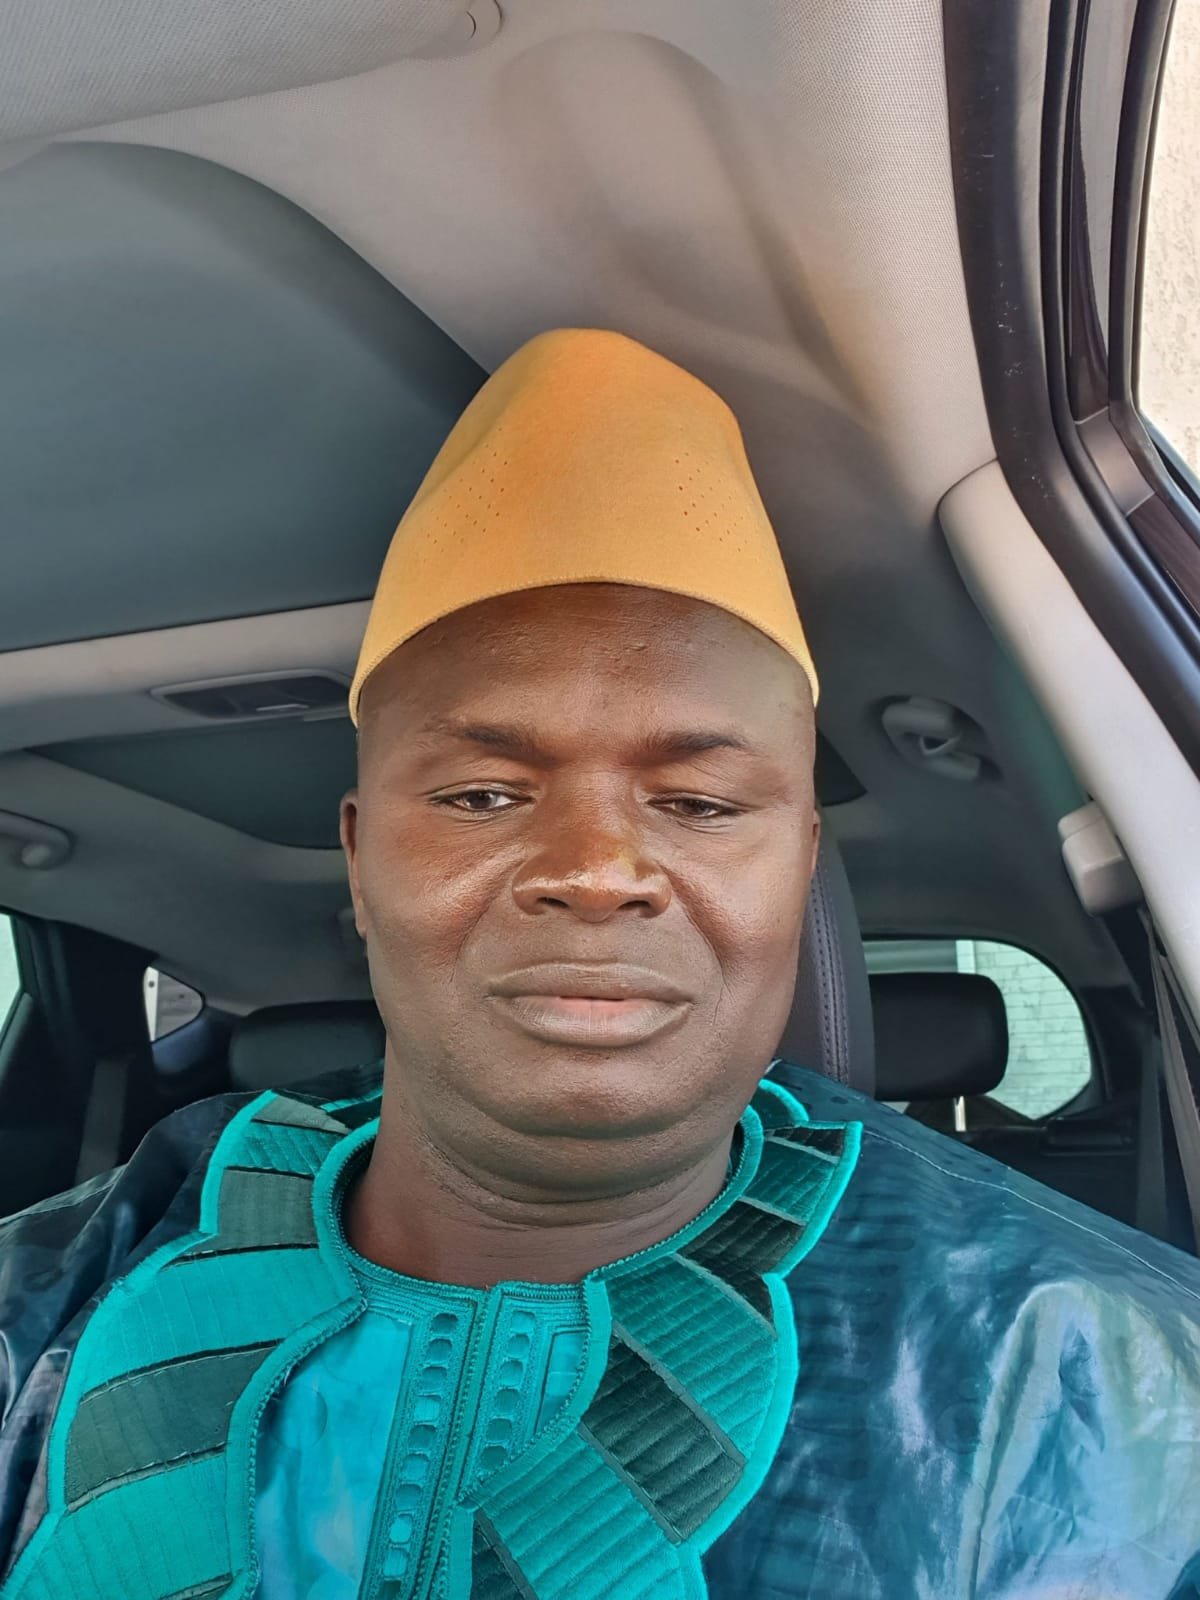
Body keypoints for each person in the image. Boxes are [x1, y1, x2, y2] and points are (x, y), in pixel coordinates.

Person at [2, 329, 1199, 1600]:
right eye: (480, 794)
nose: (596, 868)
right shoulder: (55, 1295)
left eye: (698, 803)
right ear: (359, 858)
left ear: (800, 863)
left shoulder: (1098, 1378)